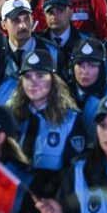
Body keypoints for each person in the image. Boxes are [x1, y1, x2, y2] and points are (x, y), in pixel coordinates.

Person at [8, 49, 85, 197]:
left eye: (40, 76)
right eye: (27, 76)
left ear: (54, 80)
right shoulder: (10, 115)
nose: (33, 82)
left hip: (52, 197)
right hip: (14, 196)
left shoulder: (71, 120)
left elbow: (72, 170)